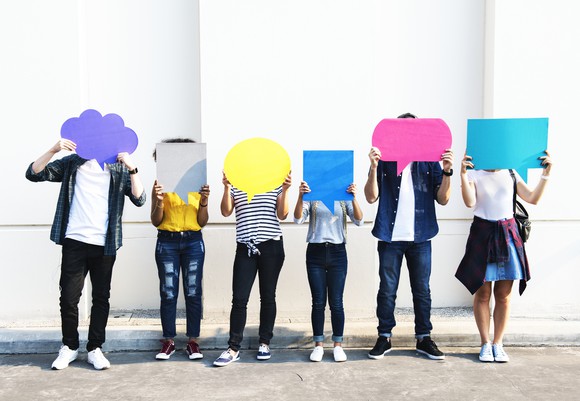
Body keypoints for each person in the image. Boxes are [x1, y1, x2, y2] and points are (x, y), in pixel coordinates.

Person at [25, 138, 145, 370]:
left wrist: (132, 168)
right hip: (75, 241)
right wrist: (53, 149)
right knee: (69, 298)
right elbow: (34, 173)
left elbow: (139, 199)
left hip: (105, 244)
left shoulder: (119, 167)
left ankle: (95, 348)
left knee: (101, 298)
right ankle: (69, 347)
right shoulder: (73, 163)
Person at [364, 112, 453, 360]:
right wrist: (372, 168)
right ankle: (384, 337)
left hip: (421, 236)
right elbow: (371, 196)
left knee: (422, 290)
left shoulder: (429, 161)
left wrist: (447, 172)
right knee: (387, 289)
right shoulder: (385, 160)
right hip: (390, 236)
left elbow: (443, 199)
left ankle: (424, 338)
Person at [455, 151, 553, 363]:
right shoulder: (475, 174)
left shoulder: (511, 172)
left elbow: (533, 198)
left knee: (503, 295)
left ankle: (498, 343)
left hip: (508, 234)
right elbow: (470, 202)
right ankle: (485, 344)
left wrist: (546, 174)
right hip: (482, 233)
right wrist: (462, 174)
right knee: (482, 294)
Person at [213, 171, 292, 367]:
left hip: (271, 246)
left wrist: (285, 189)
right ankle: (233, 348)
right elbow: (225, 212)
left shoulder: (273, 182)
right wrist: (226, 187)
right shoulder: (237, 183)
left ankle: (265, 343)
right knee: (239, 298)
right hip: (245, 247)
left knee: (268, 296)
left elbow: (283, 214)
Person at [150, 138, 210, 361]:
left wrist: (203, 201)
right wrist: (158, 200)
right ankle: (168, 341)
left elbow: (202, 222)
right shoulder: (161, 185)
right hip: (167, 240)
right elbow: (156, 220)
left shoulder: (197, 184)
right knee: (168, 292)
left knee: (193, 291)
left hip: (193, 240)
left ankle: (193, 342)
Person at [293, 181, 363, 362]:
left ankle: (338, 345)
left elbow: (359, 220)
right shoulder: (312, 194)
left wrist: (353, 198)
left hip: (338, 252)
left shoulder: (342, 195)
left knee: (337, 302)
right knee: (318, 302)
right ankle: (318, 345)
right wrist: (301, 196)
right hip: (315, 253)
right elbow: (298, 218)